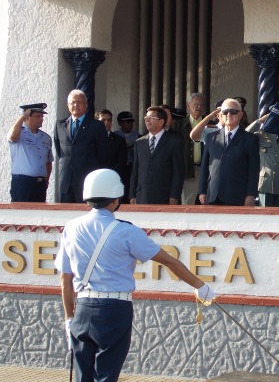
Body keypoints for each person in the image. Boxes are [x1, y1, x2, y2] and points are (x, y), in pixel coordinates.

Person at [55, 168, 216, 382]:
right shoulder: (125, 231)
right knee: (106, 375)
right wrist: (199, 285)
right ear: (116, 199)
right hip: (114, 309)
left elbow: (65, 279)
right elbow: (168, 261)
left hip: (82, 308)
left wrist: (68, 318)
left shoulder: (71, 228)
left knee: (82, 377)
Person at [199, 98, 260, 206]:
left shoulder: (250, 139)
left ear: (240, 114)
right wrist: (202, 191)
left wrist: (251, 194)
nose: (229, 114)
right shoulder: (211, 137)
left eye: (233, 112)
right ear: (220, 115)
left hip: (237, 196)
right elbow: (205, 167)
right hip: (213, 195)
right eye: (225, 112)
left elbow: (253, 170)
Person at [54, 90, 108, 203]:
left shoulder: (96, 126)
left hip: (87, 180)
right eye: (73, 102)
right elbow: (60, 151)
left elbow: (103, 153)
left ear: (86, 105)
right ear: (68, 105)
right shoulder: (60, 125)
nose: (76, 105)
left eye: (79, 102)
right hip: (66, 181)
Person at [245, 96, 279, 207]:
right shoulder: (262, 133)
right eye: (277, 117)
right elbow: (246, 134)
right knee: (264, 219)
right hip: (265, 184)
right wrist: (264, 119)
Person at [130, 107, 185, 204]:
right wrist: (132, 195)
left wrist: (175, 195)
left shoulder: (174, 141)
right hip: (142, 195)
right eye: (146, 117)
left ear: (161, 122)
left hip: (164, 195)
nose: (147, 119)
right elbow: (135, 171)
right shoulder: (139, 142)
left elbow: (178, 171)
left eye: (151, 117)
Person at [7, 104, 53, 202]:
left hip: (40, 183)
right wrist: (22, 117)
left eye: (42, 116)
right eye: (38, 116)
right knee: (21, 215)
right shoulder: (19, 133)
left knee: (39, 215)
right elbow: (12, 136)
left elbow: (48, 162)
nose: (41, 119)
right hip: (23, 183)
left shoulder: (46, 138)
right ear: (27, 118)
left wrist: (46, 180)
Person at [172, 93, 207, 205]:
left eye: (201, 104)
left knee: (208, 203)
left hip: (206, 169)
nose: (198, 107)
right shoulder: (179, 125)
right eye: (195, 104)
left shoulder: (210, 123)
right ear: (188, 106)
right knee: (188, 203)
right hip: (188, 169)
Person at [95, 109, 127, 185]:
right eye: (103, 120)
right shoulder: (91, 140)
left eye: (109, 120)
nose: (106, 123)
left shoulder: (119, 140)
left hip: (113, 179)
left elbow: (122, 161)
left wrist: (109, 174)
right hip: (96, 178)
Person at [114, 111, 140, 201]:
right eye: (127, 122)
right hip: (120, 167)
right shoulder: (115, 135)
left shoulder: (137, 135)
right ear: (120, 123)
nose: (130, 124)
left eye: (131, 122)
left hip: (132, 165)